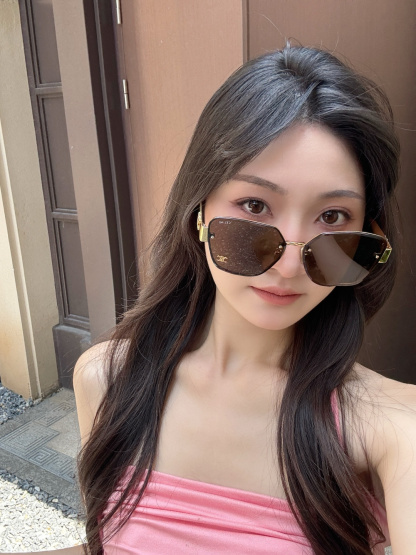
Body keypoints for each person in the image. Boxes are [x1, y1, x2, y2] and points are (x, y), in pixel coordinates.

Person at [15, 44, 416, 555]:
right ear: (199, 212)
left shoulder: (388, 426)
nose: (289, 265)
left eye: (332, 217)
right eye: (255, 205)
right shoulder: (109, 379)